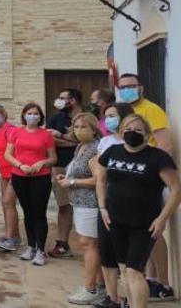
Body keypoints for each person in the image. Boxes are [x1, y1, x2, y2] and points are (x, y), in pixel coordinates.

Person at [97, 115, 180, 308]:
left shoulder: (158, 158)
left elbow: (176, 191)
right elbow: (101, 180)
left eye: (138, 131)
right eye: (128, 129)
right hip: (114, 220)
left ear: (148, 134)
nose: (132, 133)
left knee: (134, 271)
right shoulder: (112, 151)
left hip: (144, 224)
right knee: (124, 269)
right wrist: (102, 207)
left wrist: (161, 219)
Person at [117, 73, 175, 302]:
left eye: (131, 86)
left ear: (141, 88)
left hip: (147, 183)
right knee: (140, 236)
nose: (126, 90)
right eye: (122, 87)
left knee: (153, 233)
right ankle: (150, 279)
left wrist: (153, 174)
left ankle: (164, 283)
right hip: (129, 183)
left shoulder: (150, 110)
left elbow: (164, 145)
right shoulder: (125, 112)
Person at [57, 113, 104, 305]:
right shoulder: (80, 147)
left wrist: (73, 181)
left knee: (88, 244)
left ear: (93, 129)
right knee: (89, 244)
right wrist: (66, 179)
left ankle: (90, 289)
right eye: (75, 127)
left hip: (90, 203)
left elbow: (98, 179)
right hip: (79, 202)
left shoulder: (95, 149)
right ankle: (100, 286)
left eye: (83, 127)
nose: (78, 130)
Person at [94, 102, 135, 308]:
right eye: (106, 116)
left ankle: (130, 299)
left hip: (130, 206)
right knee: (106, 250)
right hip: (107, 202)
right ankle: (113, 298)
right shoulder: (106, 142)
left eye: (112, 115)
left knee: (127, 256)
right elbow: (99, 175)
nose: (108, 120)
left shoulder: (138, 145)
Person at [5, 102, 57, 266]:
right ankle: (31, 246)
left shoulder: (45, 135)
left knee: (39, 213)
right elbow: (8, 154)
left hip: (40, 177)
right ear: (24, 115)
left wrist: (42, 163)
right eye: (29, 113)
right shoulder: (16, 132)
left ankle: (41, 250)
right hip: (20, 175)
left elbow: (53, 158)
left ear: (40, 117)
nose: (32, 116)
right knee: (27, 212)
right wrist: (20, 165)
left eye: (36, 113)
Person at [47, 88, 83, 259]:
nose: (58, 101)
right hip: (60, 167)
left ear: (73, 100)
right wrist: (74, 142)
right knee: (64, 206)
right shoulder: (56, 118)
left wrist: (62, 136)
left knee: (86, 206)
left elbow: (88, 138)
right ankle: (63, 243)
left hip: (84, 169)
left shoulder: (85, 118)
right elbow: (49, 139)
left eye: (62, 98)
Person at [0, 104, 22, 252]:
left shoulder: (10, 130)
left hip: (14, 172)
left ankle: (11, 239)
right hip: (3, 173)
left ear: (4, 114)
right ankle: (13, 236)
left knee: (8, 202)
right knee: (6, 205)